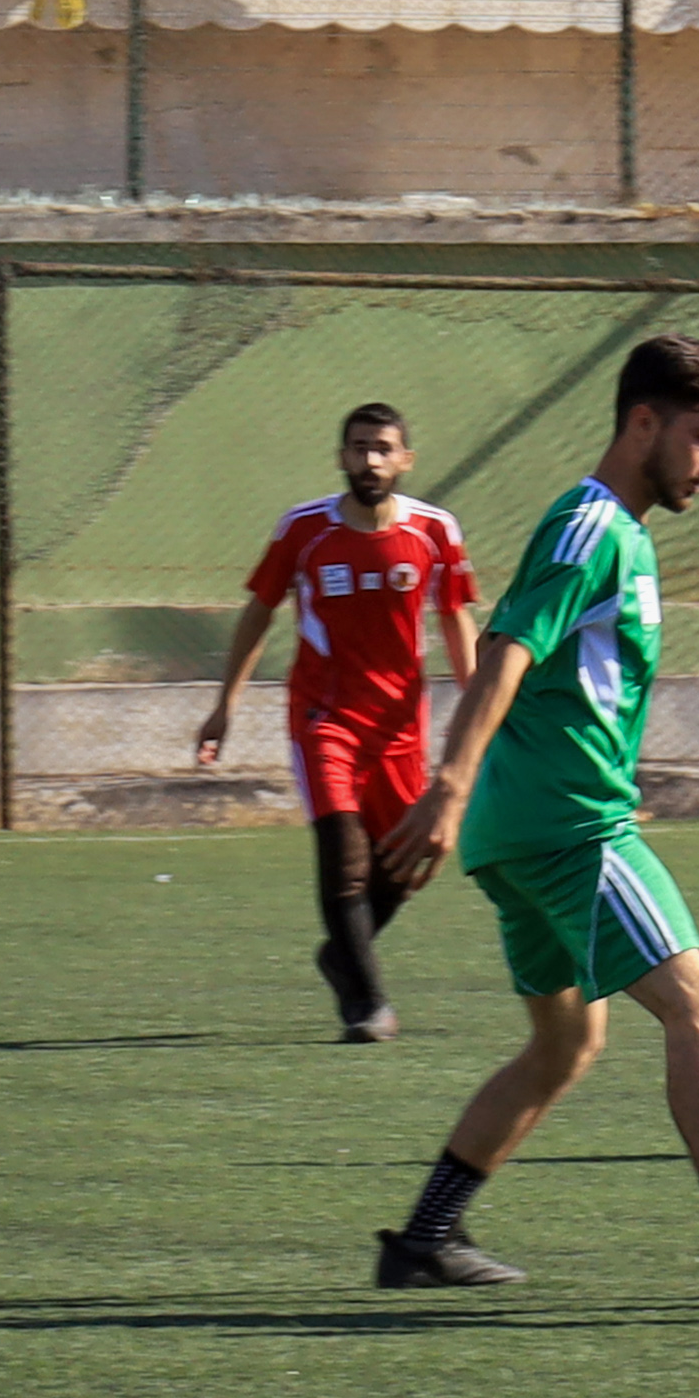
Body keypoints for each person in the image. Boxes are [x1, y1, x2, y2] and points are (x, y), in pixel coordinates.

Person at [370, 336, 699, 1299]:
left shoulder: (624, 537)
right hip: (569, 828)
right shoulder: (589, 527)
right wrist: (447, 786)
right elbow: (508, 648)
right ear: (643, 423)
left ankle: (423, 1239)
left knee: (566, 1044)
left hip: (524, 832)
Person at [196, 404, 477, 1041]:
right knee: (345, 855)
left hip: (401, 727)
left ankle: (340, 955)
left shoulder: (435, 531)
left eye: (383, 449)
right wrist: (225, 705)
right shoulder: (304, 530)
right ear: (341, 457)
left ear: (405, 459)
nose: (370, 460)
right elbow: (259, 610)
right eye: (358, 448)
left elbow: (457, 619)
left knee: (409, 862)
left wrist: (481, 705)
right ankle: (367, 1004)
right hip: (325, 719)